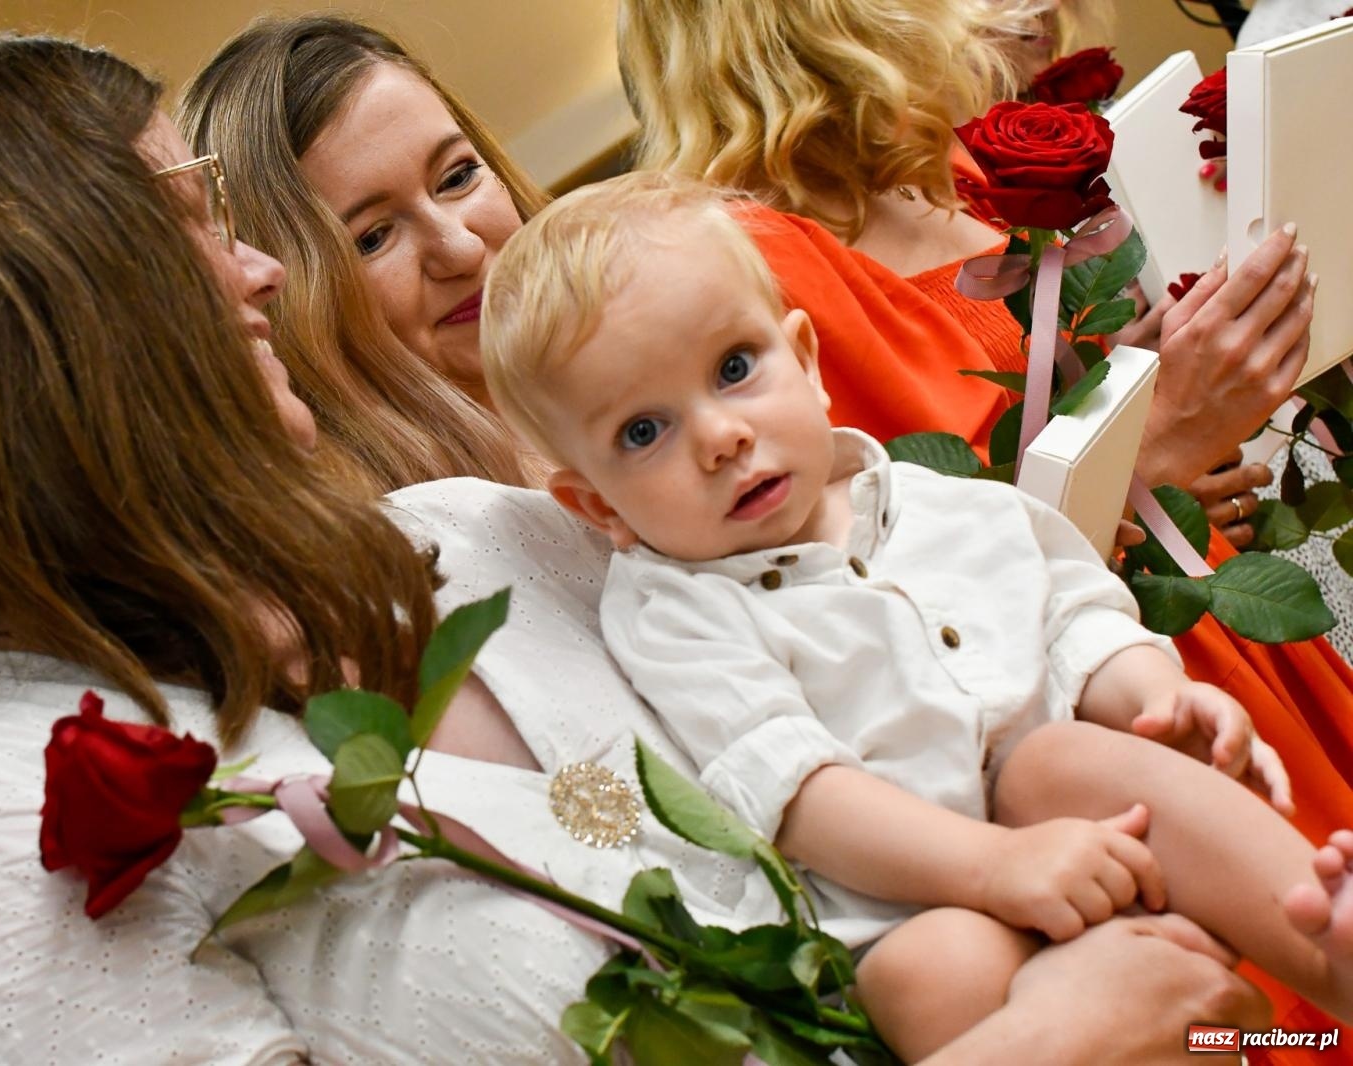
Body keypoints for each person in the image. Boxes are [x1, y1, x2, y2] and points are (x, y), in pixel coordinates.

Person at [0, 30, 1260, 1066]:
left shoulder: (473, 537)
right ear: (39, 321)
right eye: (190, 221)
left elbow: (862, 709)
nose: (261, 267)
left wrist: (1115, 710)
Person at [479, 170, 1353, 1060]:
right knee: (927, 970)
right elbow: (799, 792)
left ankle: (1330, 934)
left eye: (734, 370)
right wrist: (995, 869)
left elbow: (1069, 612)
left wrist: (1153, 695)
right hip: (913, 895)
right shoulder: (676, 615)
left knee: (1068, 757)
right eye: (644, 431)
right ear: (597, 508)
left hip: (1077, 809)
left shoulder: (931, 499)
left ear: (809, 365)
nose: (720, 437)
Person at [177, 15, 541, 495]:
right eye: (372, 238)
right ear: (289, 305)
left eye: (457, 177)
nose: (461, 250)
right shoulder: (412, 539)